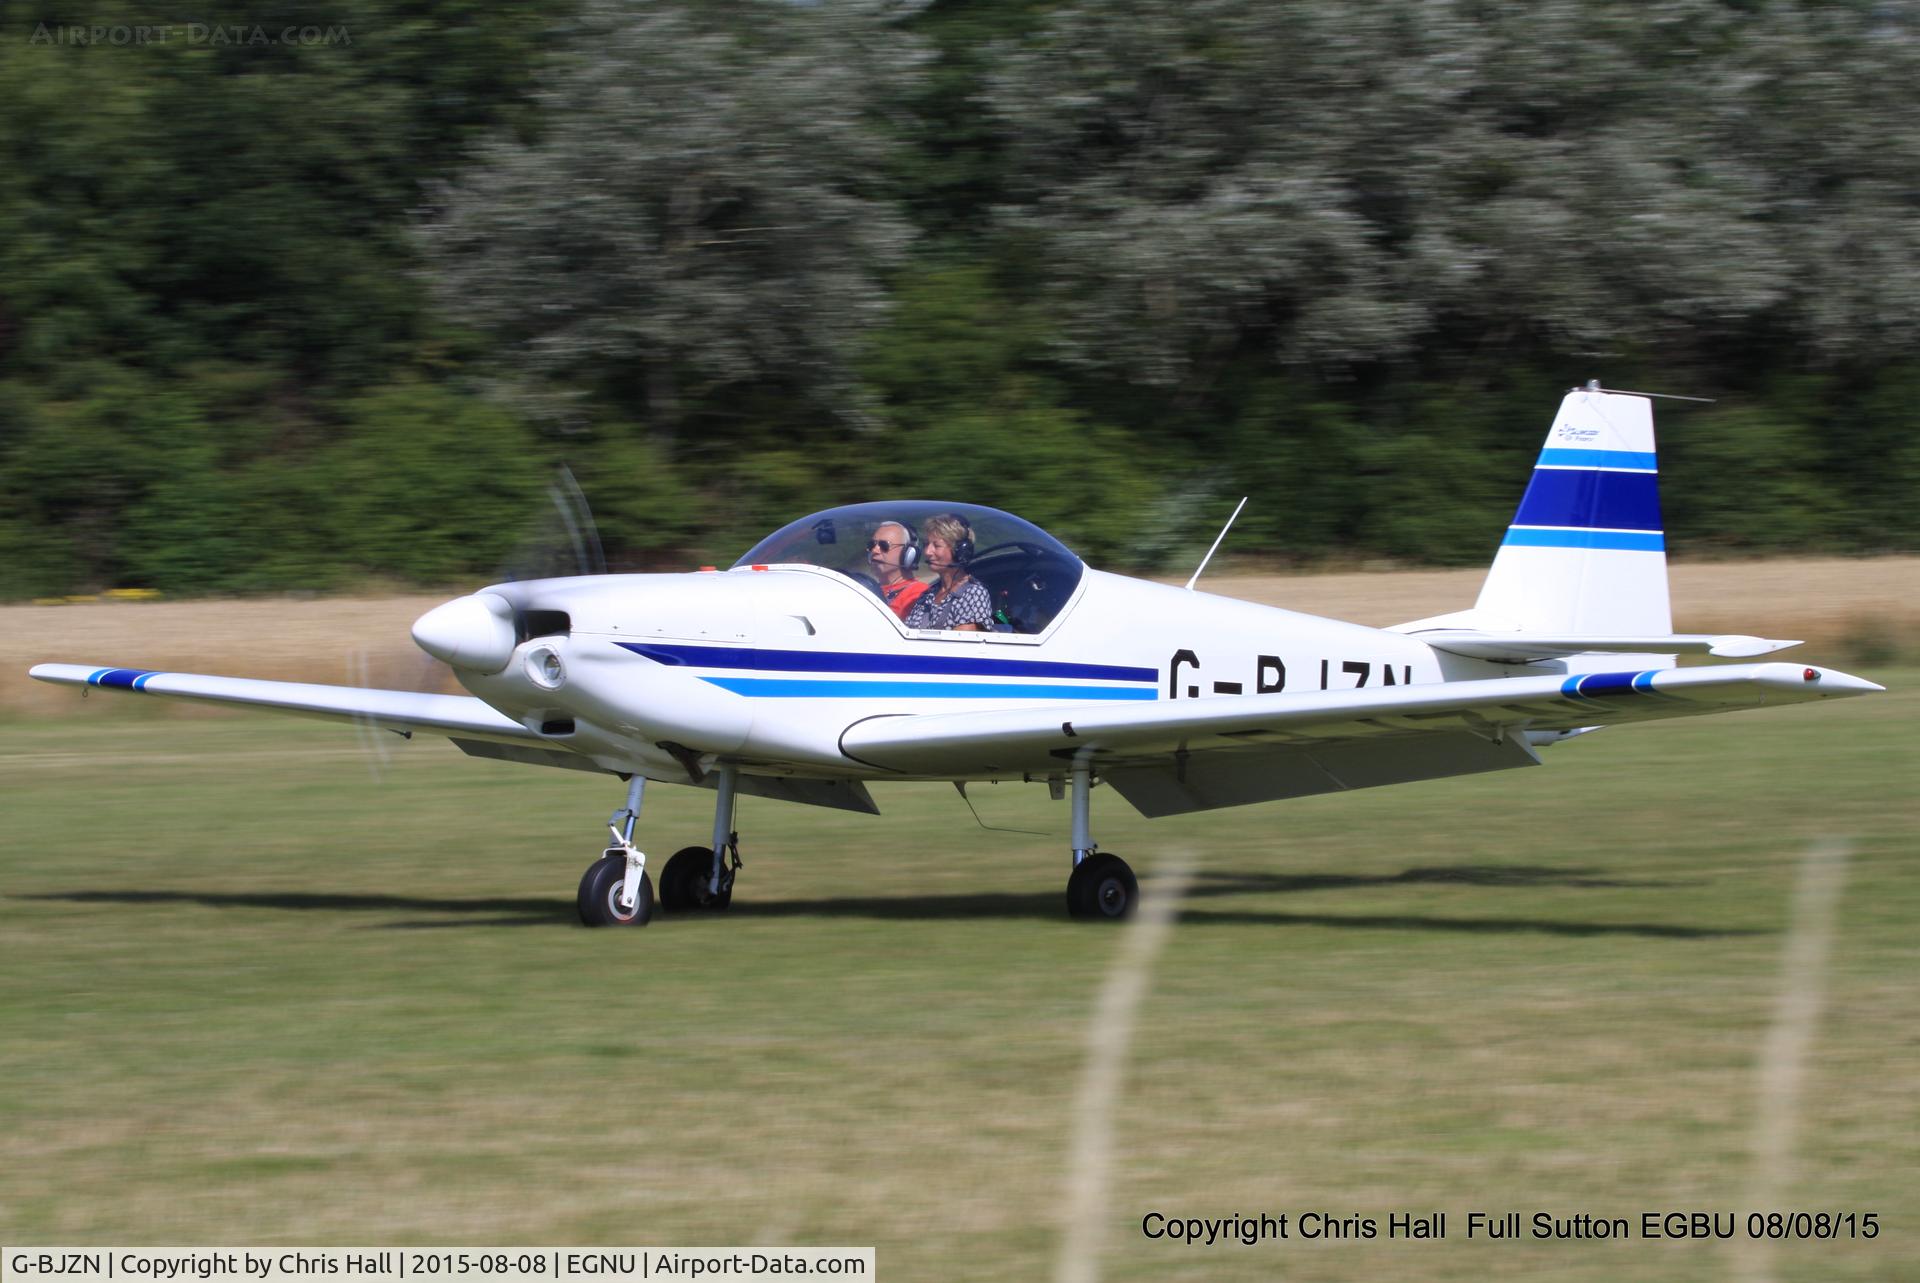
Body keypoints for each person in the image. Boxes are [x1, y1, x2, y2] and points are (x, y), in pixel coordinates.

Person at [904, 513, 992, 631]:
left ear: (959, 551)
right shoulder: (928, 594)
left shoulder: (974, 594)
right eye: (926, 545)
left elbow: (962, 643)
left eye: (936, 545)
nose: (928, 551)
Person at [867, 519, 929, 620]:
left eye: (884, 545)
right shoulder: (867, 589)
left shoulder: (919, 595)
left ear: (908, 553)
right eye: (872, 545)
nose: (874, 550)